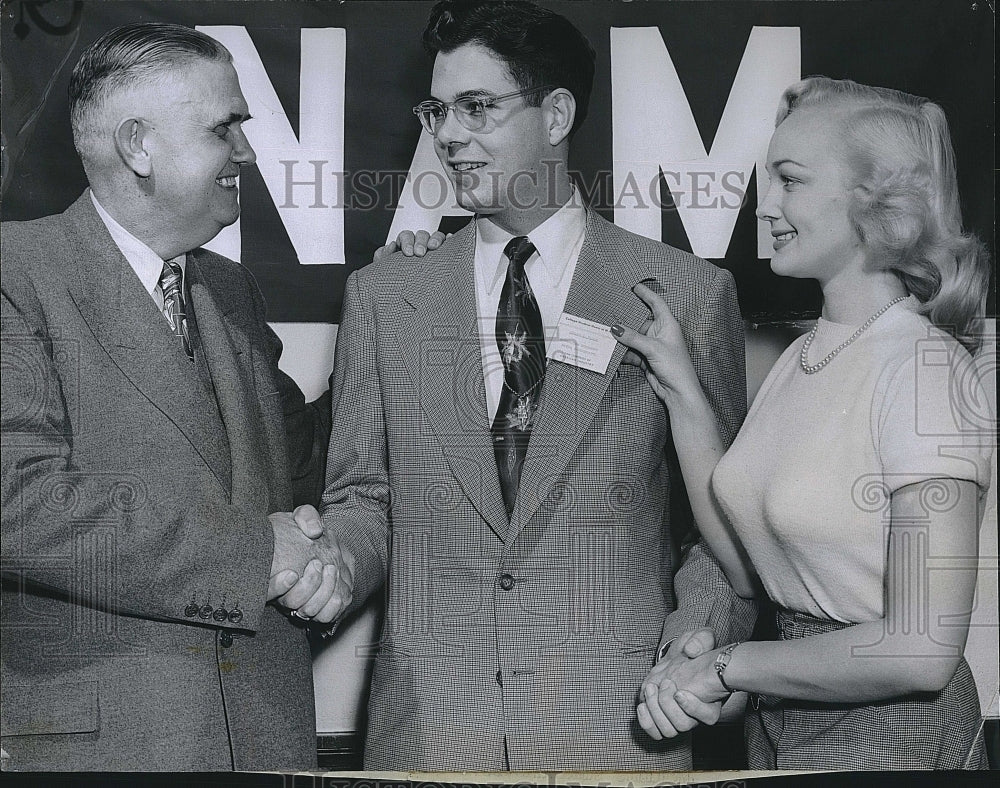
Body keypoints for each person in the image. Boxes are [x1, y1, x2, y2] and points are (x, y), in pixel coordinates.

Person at [320, 0, 755, 770]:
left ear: (556, 114)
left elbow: (723, 522)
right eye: (438, 110)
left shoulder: (686, 294)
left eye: (477, 107)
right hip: (430, 731)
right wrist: (325, 566)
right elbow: (365, 498)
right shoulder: (385, 297)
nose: (448, 135)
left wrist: (699, 643)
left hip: (622, 728)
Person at [0, 23, 354, 771]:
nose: (248, 153)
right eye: (225, 128)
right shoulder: (16, 274)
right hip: (105, 750)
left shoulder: (229, 292)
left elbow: (304, 460)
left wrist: (394, 305)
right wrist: (260, 556)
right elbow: (18, 503)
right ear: (139, 145)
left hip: (261, 743)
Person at [616, 76, 993, 769]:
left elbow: (920, 648)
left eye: (790, 181)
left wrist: (730, 665)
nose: (767, 206)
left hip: (896, 733)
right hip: (787, 713)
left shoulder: (925, 370)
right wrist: (682, 392)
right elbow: (744, 565)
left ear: (875, 203)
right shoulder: (805, 358)